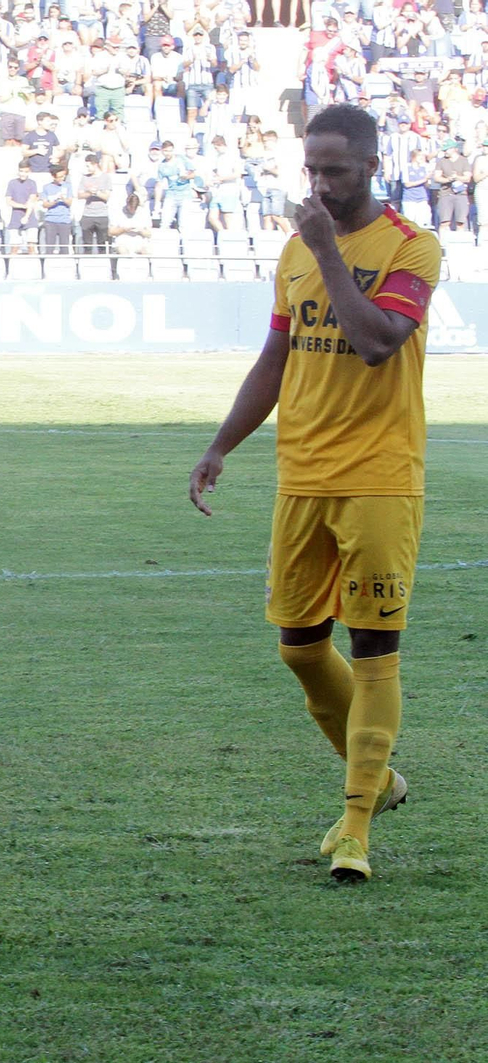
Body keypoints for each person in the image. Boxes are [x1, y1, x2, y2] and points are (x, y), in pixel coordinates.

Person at [188, 105, 441, 884]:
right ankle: (382, 781)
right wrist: (221, 444)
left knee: (371, 644)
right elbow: (275, 355)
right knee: (299, 646)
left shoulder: (412, 248)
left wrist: (330, 251)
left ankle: (358, 823)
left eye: (336, 170)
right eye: (313, 171)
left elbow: (374, 341)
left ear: (370, 164)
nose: (322, 186)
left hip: (378, 475)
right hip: (302, 474)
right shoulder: (295, 251)